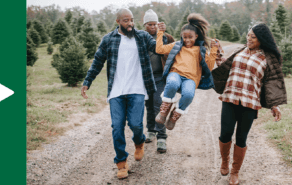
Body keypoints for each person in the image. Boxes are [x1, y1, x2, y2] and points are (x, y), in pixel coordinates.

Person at [80, 8, 159, 179]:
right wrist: (87, 82)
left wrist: (162, 34)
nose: (130, 24)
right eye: (126, 20)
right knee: (117, 128)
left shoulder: (142, 36)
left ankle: (139, 142)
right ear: (118, 22)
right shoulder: (109, 39)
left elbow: (159, 48)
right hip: (116, 91)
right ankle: (121, 163)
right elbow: (97, 62)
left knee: (136, 125)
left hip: (137, 89)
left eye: (131, 20)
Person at [212, 23, 287, 185]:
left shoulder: (268, 58)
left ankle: (235, 172)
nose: (249, 38)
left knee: (241, 138)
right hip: (230, 97)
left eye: (253, 37)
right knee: (225, 133)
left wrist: (274, 105)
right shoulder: (240, 51)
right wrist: (219, 58)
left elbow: (271, 83)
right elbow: (229, 67)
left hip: (250, 103)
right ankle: (224, 161)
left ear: (261, 40)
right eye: (248, 35)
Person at [155, 13, 219, 130]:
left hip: (191, 79)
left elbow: (209, 67)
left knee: (189, 94)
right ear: (181, 36)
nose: (187, 40)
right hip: (176, 74)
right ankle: (164, 109)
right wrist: (160, 33)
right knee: (173, 83)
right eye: (185, 37)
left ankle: (174, 115)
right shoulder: (177, 45)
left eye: (190, 37)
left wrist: (214, 49)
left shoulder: (200, 50)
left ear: (196, 36)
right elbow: (159, 49)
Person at [142, 9, 175, 153]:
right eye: (150, 24)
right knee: (148, 104)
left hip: (161, 77)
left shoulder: (166, 37)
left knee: (159, 105)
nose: (153, 27)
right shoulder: (141, 37)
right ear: (145, 25)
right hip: (145, 77)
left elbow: (176, 53)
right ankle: (151, 130)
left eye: (155, 24)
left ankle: (162, 138)